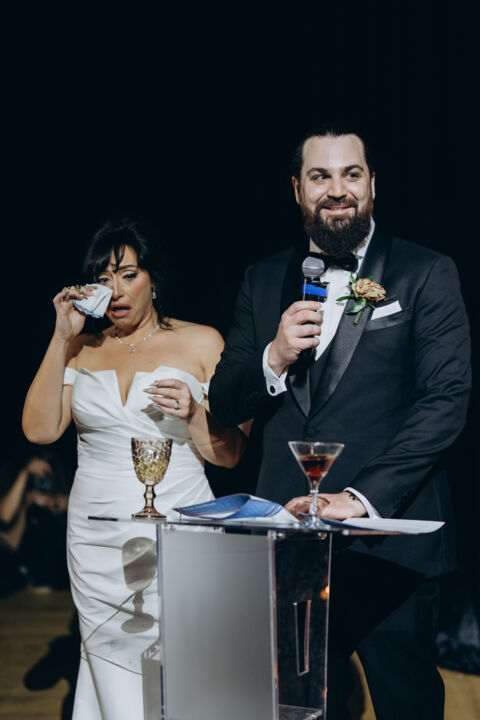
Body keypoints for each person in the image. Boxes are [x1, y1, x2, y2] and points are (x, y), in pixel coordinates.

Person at [209, 125, 471, 719]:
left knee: (406, 705)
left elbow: (445, 401)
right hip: (289, 546)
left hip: (389, 545)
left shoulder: (426, 271)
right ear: (297, 189)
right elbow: (223, 403)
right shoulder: (261, 279)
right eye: (320, 176)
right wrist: (274, 356)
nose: (337, 189)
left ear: (372, 184)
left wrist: (359, 498)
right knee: (296, 710)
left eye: (351, 174)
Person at [22, 218, 247, 720]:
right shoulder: (80, 349)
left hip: (180, 522)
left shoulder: (202, 343)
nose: (116, 290)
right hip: (95, 535)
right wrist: (61, 338)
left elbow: (230, 454)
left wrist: (193, 414)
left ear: (153, 280)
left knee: (186, 659)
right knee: (109, 655)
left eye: (128, 274)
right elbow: (39, 430)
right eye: (103, 279)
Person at [0, 447, 70, 595]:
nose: (40, 481)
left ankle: (41, 578)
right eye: (36, 476)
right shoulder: (13, 484)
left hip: (37, 563)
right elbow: (5, 516)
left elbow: (70, 503)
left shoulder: (53, 493)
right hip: (8, 556)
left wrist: (49, 502)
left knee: (55, 523)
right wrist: (25, 472)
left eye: (44, 477)